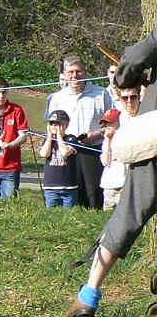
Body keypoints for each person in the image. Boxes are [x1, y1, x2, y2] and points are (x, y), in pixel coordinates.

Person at [65, 27, 157, 317]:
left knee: (127, 214)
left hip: (154, 140)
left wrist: (124, 78)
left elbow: (135, 56)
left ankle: (87, 297)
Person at [45, 56, 112, 209]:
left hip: (93, 148)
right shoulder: (56, 98)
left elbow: (111, 124)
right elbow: (50, 126)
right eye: (71, 72)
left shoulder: (101, 94)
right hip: (66, 151)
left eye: (79, 71)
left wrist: (97, 134)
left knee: (94, 191)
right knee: (72, 192)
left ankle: (95, 220)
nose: (75, 76)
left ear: (86, 72)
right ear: (65, 74)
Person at [39, 110, 79, 209]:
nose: (53, 126)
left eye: (57, 124)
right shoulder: (47, 140)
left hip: (68, 188)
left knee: (69, 218)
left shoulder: (71, 139)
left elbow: (65, 153)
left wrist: (59, 137)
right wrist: (49, 137)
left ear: (65, 125)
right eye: (51, 123)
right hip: (51, 187)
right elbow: (44, 154)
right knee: (50, 216)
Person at [98, 108, 125, 211]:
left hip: (122, 183)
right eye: (105, 123)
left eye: (110, 123)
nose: (107, 126)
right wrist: (108, 140)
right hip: (109, 183)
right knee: (108, 212)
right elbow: (105, 161)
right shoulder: (106, 141)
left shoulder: (124, 137)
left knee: (121, 211)